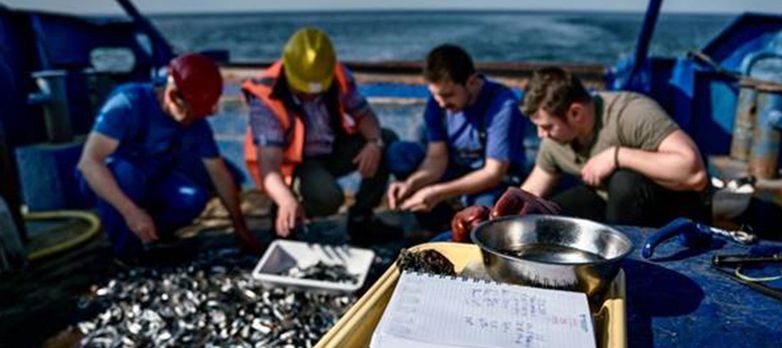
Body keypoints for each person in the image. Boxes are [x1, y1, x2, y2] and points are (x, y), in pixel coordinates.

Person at [77, 53, 259, 259]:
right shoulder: (127, 103)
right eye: (190, 112)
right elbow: (89, 163)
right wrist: (131, 212)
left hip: (152, 179)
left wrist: (240, 226)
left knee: (192, 199)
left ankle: (151, 236)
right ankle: (127, 253)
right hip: (113, 182)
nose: (193, 119)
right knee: (127, 174)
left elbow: (218, 172)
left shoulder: (196, 123)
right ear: (172, 96)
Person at [242, 27, 401, 245]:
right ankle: (287, 212)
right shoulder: (266, 98)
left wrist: (374, 143)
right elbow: (269, 165)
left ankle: (361, 218)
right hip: (298, 163)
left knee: (387, 139)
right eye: (304, 88)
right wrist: (286, 198)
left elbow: (364, 114)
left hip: (333, 147)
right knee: (328, 198)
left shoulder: (336, 73)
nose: (311, 93)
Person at [515, 66, 709, 227]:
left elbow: (695, 173)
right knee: (551, 213)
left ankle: (627, 264)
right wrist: (504, 217)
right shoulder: (554, 141)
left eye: (547, 127)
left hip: (675, 212)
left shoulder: (631, 113)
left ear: (575, 113)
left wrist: (617, 156)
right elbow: (533, 190)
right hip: (613, 207)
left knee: (624, 182)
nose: (541, 135)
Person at [385, 44, 527, 230]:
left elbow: (493, 173)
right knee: (399, 153)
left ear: (471, 82)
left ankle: (453, 214)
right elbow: (436, 158)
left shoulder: (502, 106)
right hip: (453, 169)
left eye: (448, 95)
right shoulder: (438, 102)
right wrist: (410, 184)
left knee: (487, 217)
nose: (442, 103)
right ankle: (434, 222)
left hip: (493, 180)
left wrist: (437, 192)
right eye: (435, 95)